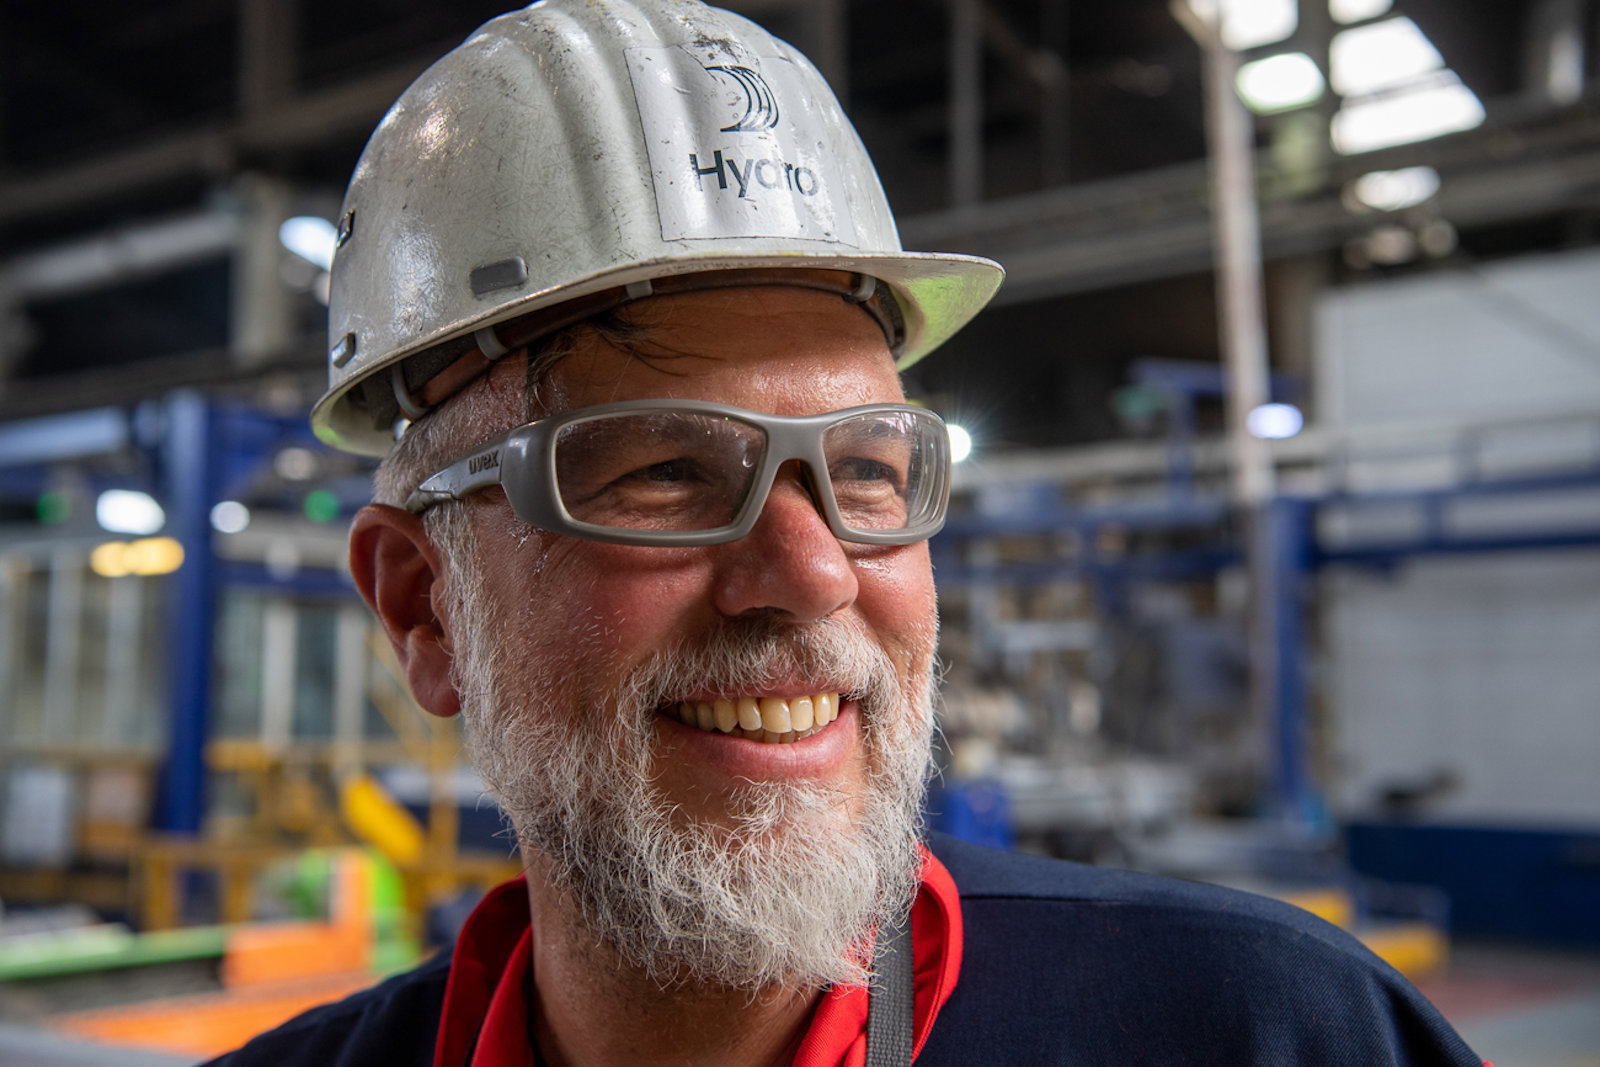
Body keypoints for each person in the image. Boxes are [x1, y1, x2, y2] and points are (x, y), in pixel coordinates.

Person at [210, 1, 1485, 1064]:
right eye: (661, 471)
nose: (814, 572)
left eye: (869, 472)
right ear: (423, 604)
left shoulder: (1268, 1033)